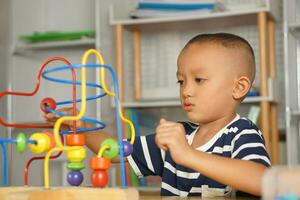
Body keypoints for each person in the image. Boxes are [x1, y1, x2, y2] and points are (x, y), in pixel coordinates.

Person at [44, 33, 271, 197]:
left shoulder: (241, 133)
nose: (186, 90)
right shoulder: (177, 137)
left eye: (199, 80)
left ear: (239, 87)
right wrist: (80, 127)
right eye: (181, 81)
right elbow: (114, 151)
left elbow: (262, 181)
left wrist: (187, 155)